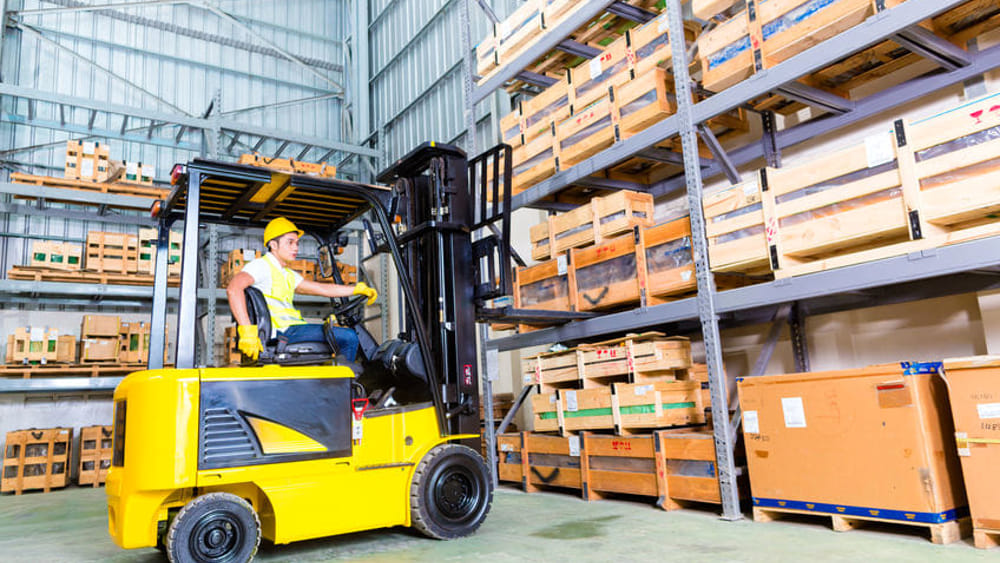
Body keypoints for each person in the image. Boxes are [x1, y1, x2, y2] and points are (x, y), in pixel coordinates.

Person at [227, 216, 377, 363]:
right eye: (290, 242)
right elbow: (234, 288)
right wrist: (247, 331)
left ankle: (335, 381)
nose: (295, 248)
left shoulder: (285, 273)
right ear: (273, 245)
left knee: (338, 338)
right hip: (283, 332)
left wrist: (356, 289)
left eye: (297, 243)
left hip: (291, 329)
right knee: (349, 337)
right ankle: (346, 384)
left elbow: (321, 288)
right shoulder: (261, 265)